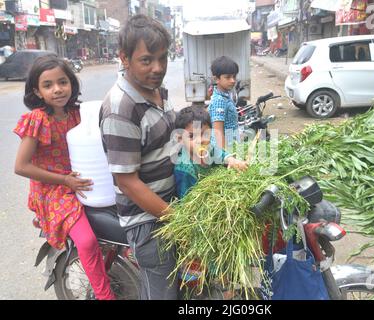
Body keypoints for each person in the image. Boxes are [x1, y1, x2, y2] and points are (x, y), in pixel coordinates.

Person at [13, 55, 115, 300]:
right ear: (37, 91)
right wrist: (65, 180)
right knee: (88, 241)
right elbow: (21, 166)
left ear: (72, 83)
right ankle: (104, 295)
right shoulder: (37, 120)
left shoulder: (78, 114)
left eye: (62, 82)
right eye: (48, 85)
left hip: (82, 181)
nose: (57, 89)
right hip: (53, 190)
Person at [99, 14, 178, 300]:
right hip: (148, 221)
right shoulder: (121, 108)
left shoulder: (157, 91)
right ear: (124, 58)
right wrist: (177, 220)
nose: (158, 68)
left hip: (169, 207)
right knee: (164, 294)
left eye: (163, 58)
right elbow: (127, 181)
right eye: (147, 60)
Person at [174, 106, 248, 199]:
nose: (200, 140)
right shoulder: (185, 169)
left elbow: (218, 153)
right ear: (180, 139)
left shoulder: (208, 148)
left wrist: (231, 160)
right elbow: (186, 200)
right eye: (192, 136)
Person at [208, 56, 240, 151]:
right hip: (226, 151)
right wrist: (226, 158)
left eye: (234, 76)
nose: (233, 80)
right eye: (228, 77)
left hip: (231, 147)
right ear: (216, 79)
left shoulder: (225, 96)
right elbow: (218, 133)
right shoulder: (219, 101)